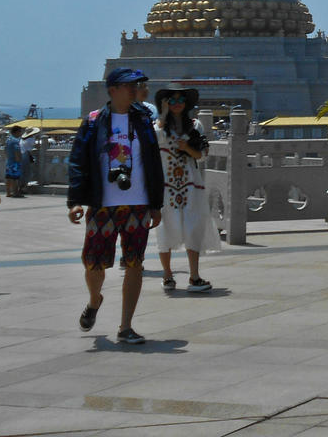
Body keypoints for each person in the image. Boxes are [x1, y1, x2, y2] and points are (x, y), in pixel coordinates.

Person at [68, 68, 164, 345]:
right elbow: (77, 162)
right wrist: (75, 201)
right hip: (103, 204)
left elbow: (153, 163)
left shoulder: (144, 120)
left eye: (136, 85)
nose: (134, 89)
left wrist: (156, 203)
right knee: (94, 264)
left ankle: (126, 327)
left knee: (135, 263)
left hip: (137, 204)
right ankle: (95, 299)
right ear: (112, 90)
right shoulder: (94, 122)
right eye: (128, 85)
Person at [151, 86, 219, 292]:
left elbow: (202, 155)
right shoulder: (158, 127)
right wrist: (162, 114)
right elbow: (156, 138)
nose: (177, 103)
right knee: (165, 228)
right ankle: (167, 275)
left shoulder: (194, 125)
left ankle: (194, 276)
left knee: (193, 227)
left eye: (181, 99)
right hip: (166, 187)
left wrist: (186, 148)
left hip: (190, 185)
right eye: (172, 100)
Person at [4, 126, 24, 198]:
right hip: (14, 162)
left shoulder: (8, 140)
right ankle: (16, 192)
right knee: (15, 178)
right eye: (20, 131)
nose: (21, 133)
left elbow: (5, 150)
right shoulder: (16, 141)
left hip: (9, 161)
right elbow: (17, 151)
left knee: (8, 177)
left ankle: (8, 192)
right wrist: (19, 160)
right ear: (17, 132)